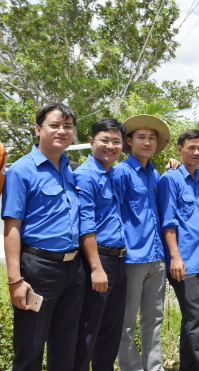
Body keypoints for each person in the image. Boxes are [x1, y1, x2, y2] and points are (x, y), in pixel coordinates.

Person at [2, 103, 83, 370]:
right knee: (31, 347)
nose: (62, 131)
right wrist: (16, 280)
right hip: (38, 270)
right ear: (38, 129)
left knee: (65, 347)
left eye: (68, 126)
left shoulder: (69, 169)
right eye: (55, 125)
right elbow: (12, 227)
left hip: (73, 269)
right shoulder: (21, 171)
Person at [157, 129, 199, 370]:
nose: (196, 152)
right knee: (196, 319)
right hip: (184, 262)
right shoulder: (170, 179)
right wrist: (175, 257)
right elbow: (168, 222)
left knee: (193, 320)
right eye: (191, 147)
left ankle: (189, 367)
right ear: (180, 149)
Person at [115, 114, 170, 371]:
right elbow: (112, 214)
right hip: (132, 258)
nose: (147, 142)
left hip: (157, 257)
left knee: (154, 319)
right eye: (141, 137)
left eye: (151, 138)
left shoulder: (155, 173)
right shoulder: (121, 173)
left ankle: (154, 367)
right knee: (125, 322)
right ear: (129, 141)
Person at [72, 118, 128, 371]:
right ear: (92, 142)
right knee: (88, 329)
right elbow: (86, 225)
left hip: (118, 260)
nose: (110, 146)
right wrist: (96, 268)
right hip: (98, 261)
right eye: (104, 140)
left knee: (111, 331)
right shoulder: (85, 176)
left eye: (116, 141)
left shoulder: (113, 173)